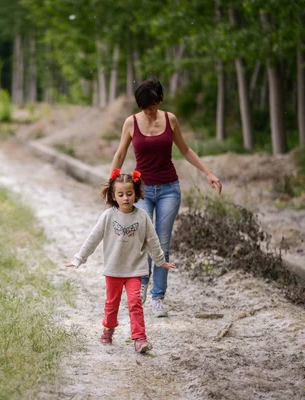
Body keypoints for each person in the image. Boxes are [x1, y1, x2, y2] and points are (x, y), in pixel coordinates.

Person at [111, 78, 222, 317]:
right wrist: (113, 181)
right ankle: (140, 285)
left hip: (169, 189)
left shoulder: (170, 119)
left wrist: (208, 173)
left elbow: (186, 150)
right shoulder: (131, 123)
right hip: (141, 190)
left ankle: (158, 296)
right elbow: (120, 153)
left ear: (159, 101)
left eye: (151, 107)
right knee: (141, 240)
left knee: (161, 244)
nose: (148, 112)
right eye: (144, 107)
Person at [65, 170, 176, 354]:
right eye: (121, 194)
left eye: (129, 193)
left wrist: (160, 261)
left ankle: (139, 338)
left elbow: (153, 241)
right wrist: (79, 259)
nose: (125, 198)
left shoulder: (142, 217)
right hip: (114, 270)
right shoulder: (108, 216)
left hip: (135, 269)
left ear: (137, 193)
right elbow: (93, 239)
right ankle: (108, 329)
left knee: (135, 302)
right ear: (114, 196)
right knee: (111, 304)